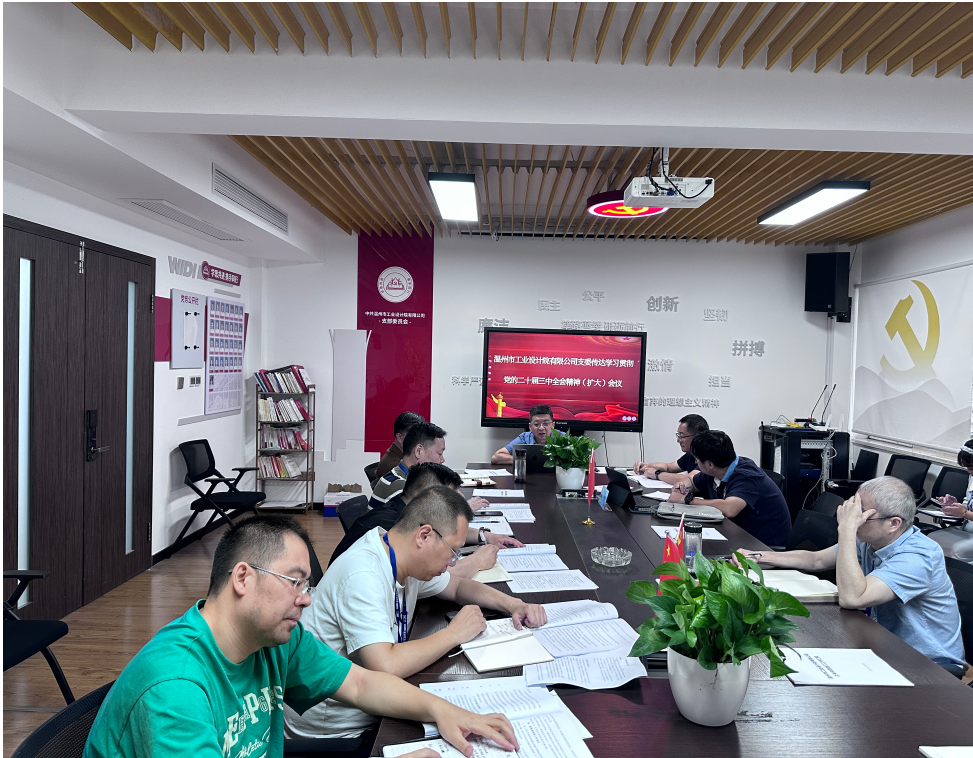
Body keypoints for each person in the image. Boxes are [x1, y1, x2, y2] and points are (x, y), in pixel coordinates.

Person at [83, 515, 518, 758]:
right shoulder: (176, 688)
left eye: (307, 585)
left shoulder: (273, 639)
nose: (306, 599)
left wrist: (444, 710)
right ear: (242, 578)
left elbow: (360, 682)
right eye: (295, 582)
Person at [285, 487, 548, 742]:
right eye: (453, 552)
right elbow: (385, 666)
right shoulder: (363, 574)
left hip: (376, 701)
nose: (453, 562)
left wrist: (514, 604)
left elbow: (457, 586)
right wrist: (454, 634)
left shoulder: (399, 553)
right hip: (339, 730)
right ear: (424, 536)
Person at [732, 477, 966, 668]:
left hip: (929, 664)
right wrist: (759, 557)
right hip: (885, 643)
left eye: (861, 514)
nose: (852, 517)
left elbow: (853, 598)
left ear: (894, 523)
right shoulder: (870, 538)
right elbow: (816, 559)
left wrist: (846, 529)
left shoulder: (918, 556)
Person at [330, 462, 525, 578]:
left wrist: (485, 536)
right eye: (450, 498)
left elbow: (446, 531)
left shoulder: (405, 510)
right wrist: (477, 561)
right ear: (430, 497)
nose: (456, 502)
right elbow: (432, 576)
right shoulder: (393, 528)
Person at [671, 430, 791, 546]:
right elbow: (692, 481)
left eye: (697, 459)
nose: (696, 462)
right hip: (737, 535)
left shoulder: (746, 475)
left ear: (710, 464)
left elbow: (730, 508)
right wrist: (682, 486)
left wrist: (687, 499)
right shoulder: (716, 469)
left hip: (763, 546)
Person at [371, 421, 446, 505]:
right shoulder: (402, 489)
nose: (442, 460)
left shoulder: (405, 477)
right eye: (440, 453)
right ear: (418, 451)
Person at [927, 439, 973, 561]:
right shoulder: (972, 477)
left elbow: (967, 512)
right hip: (967, 529)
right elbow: (969, 502)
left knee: (956, 550)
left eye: (972, 468)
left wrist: (964, 513)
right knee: (930, 541)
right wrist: (955, 505)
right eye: (967, 468)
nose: (969, 472)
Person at [633, 413, 708, 487]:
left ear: (697, 437)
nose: (678, 440)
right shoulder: (691, 455)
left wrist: (657, 474)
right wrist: (646, 465)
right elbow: (668, 467)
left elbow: (690, 480)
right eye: (678, 435)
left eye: (682, 436)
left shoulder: (707, 456)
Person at [491, 404, 562, 465]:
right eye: (536, 424)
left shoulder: (562, 438)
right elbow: (496, 457)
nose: (541, 428)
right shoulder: (524, 438)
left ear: (553, 425)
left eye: (545, 424)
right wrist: (526, 460)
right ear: (530, 427)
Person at [374, 411, 425, 481]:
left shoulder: (402, 457)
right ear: (400, 438)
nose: (419, 441)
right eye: (413, 436)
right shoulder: (395, 466)